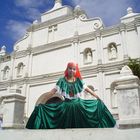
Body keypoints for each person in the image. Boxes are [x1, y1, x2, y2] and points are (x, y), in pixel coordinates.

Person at [26, 62, 116, 129]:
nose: (72, 70)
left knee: (95, 106)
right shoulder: (61, 81)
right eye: (70, 68)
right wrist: (42, 102)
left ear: (76, 70)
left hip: (78, 104)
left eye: (74, 69)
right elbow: (52, 92)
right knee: (51, 114)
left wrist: (97, 97)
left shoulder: (79, 81)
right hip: (66, 105)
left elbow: (87, 89)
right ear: (67, 69)